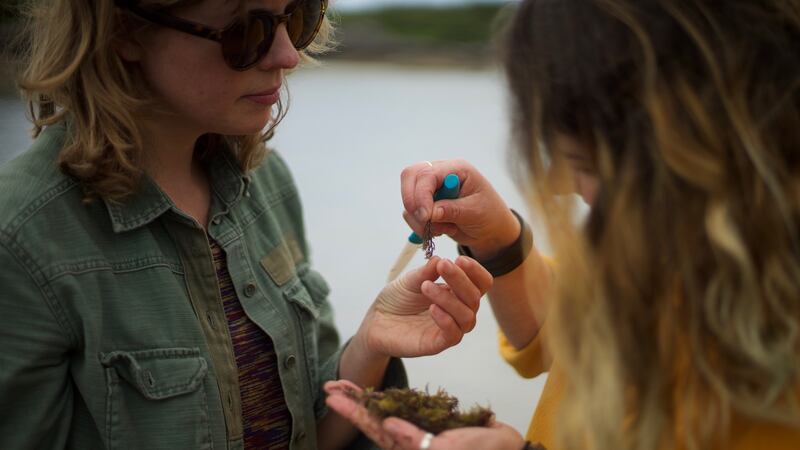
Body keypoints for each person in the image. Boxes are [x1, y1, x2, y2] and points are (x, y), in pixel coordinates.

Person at [0, 0, 493, 449]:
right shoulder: (21, 241)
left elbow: (312, 435)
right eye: (246, 31)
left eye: (297, 17)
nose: (286, 55)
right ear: (125, 30)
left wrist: (371, 343)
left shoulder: (264, 181)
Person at [326, 0, 800, 449]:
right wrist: (497, 241)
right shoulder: (681, 243)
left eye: (584, 163)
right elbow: (572, 331)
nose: (556, 184)